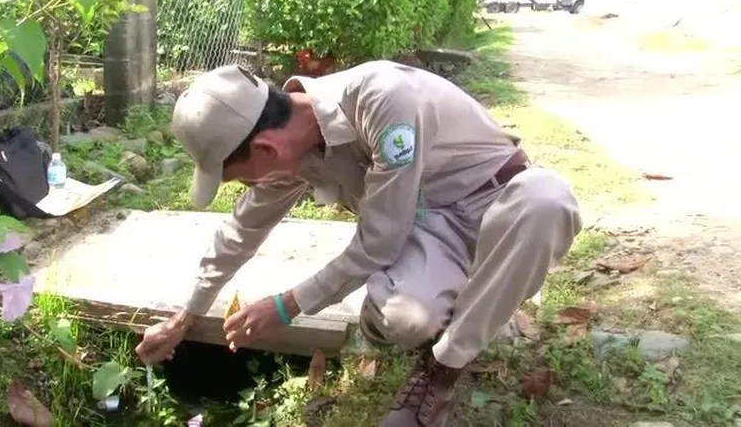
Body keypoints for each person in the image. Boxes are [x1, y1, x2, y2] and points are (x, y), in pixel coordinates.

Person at [134, 61, 582, 426]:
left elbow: (381, 241)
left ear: (267, 148)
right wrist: (185, 316)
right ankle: (466, 306)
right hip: (431, 230)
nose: (249, 186)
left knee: (547, 200)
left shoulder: (382, 99)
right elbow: (241, 231)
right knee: (405, 319)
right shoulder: (294, 153)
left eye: (241, 177)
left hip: (496, 205)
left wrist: (288, 304)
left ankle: (442, 371)